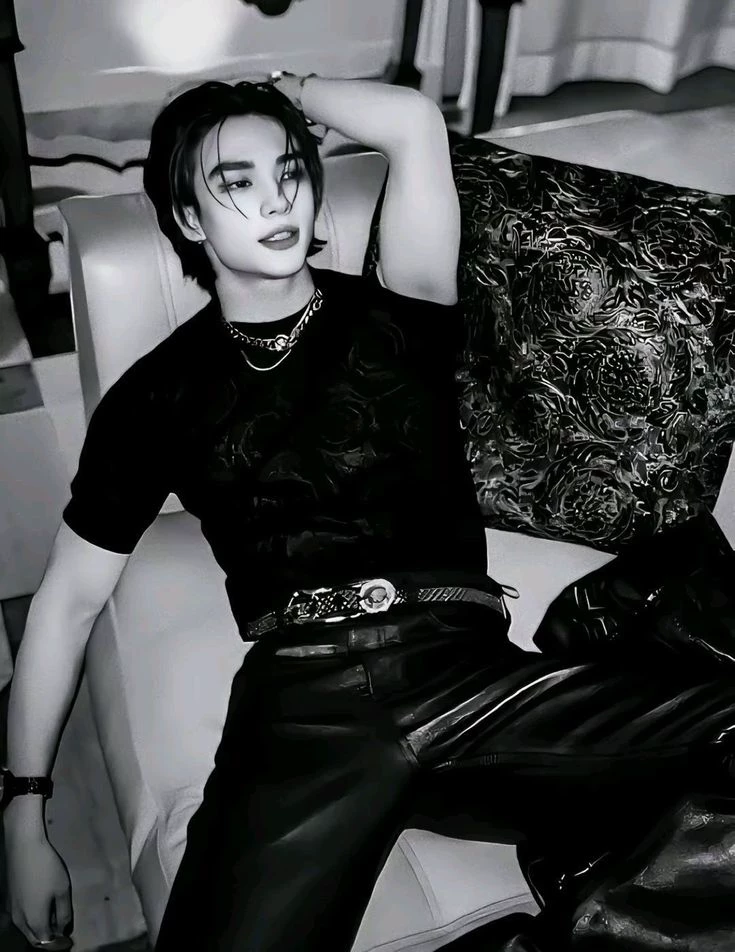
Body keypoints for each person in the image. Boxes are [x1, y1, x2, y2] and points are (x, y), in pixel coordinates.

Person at [4, 74, 735, 952]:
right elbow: (66, 603)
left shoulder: (403, 309)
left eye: (289, 171)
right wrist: (23, 815)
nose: (275, 199)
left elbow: (414, 123)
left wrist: (281, 90)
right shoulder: (154, 398)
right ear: (189, 219)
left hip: (466, 676)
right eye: (235, 182)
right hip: (305, 704)